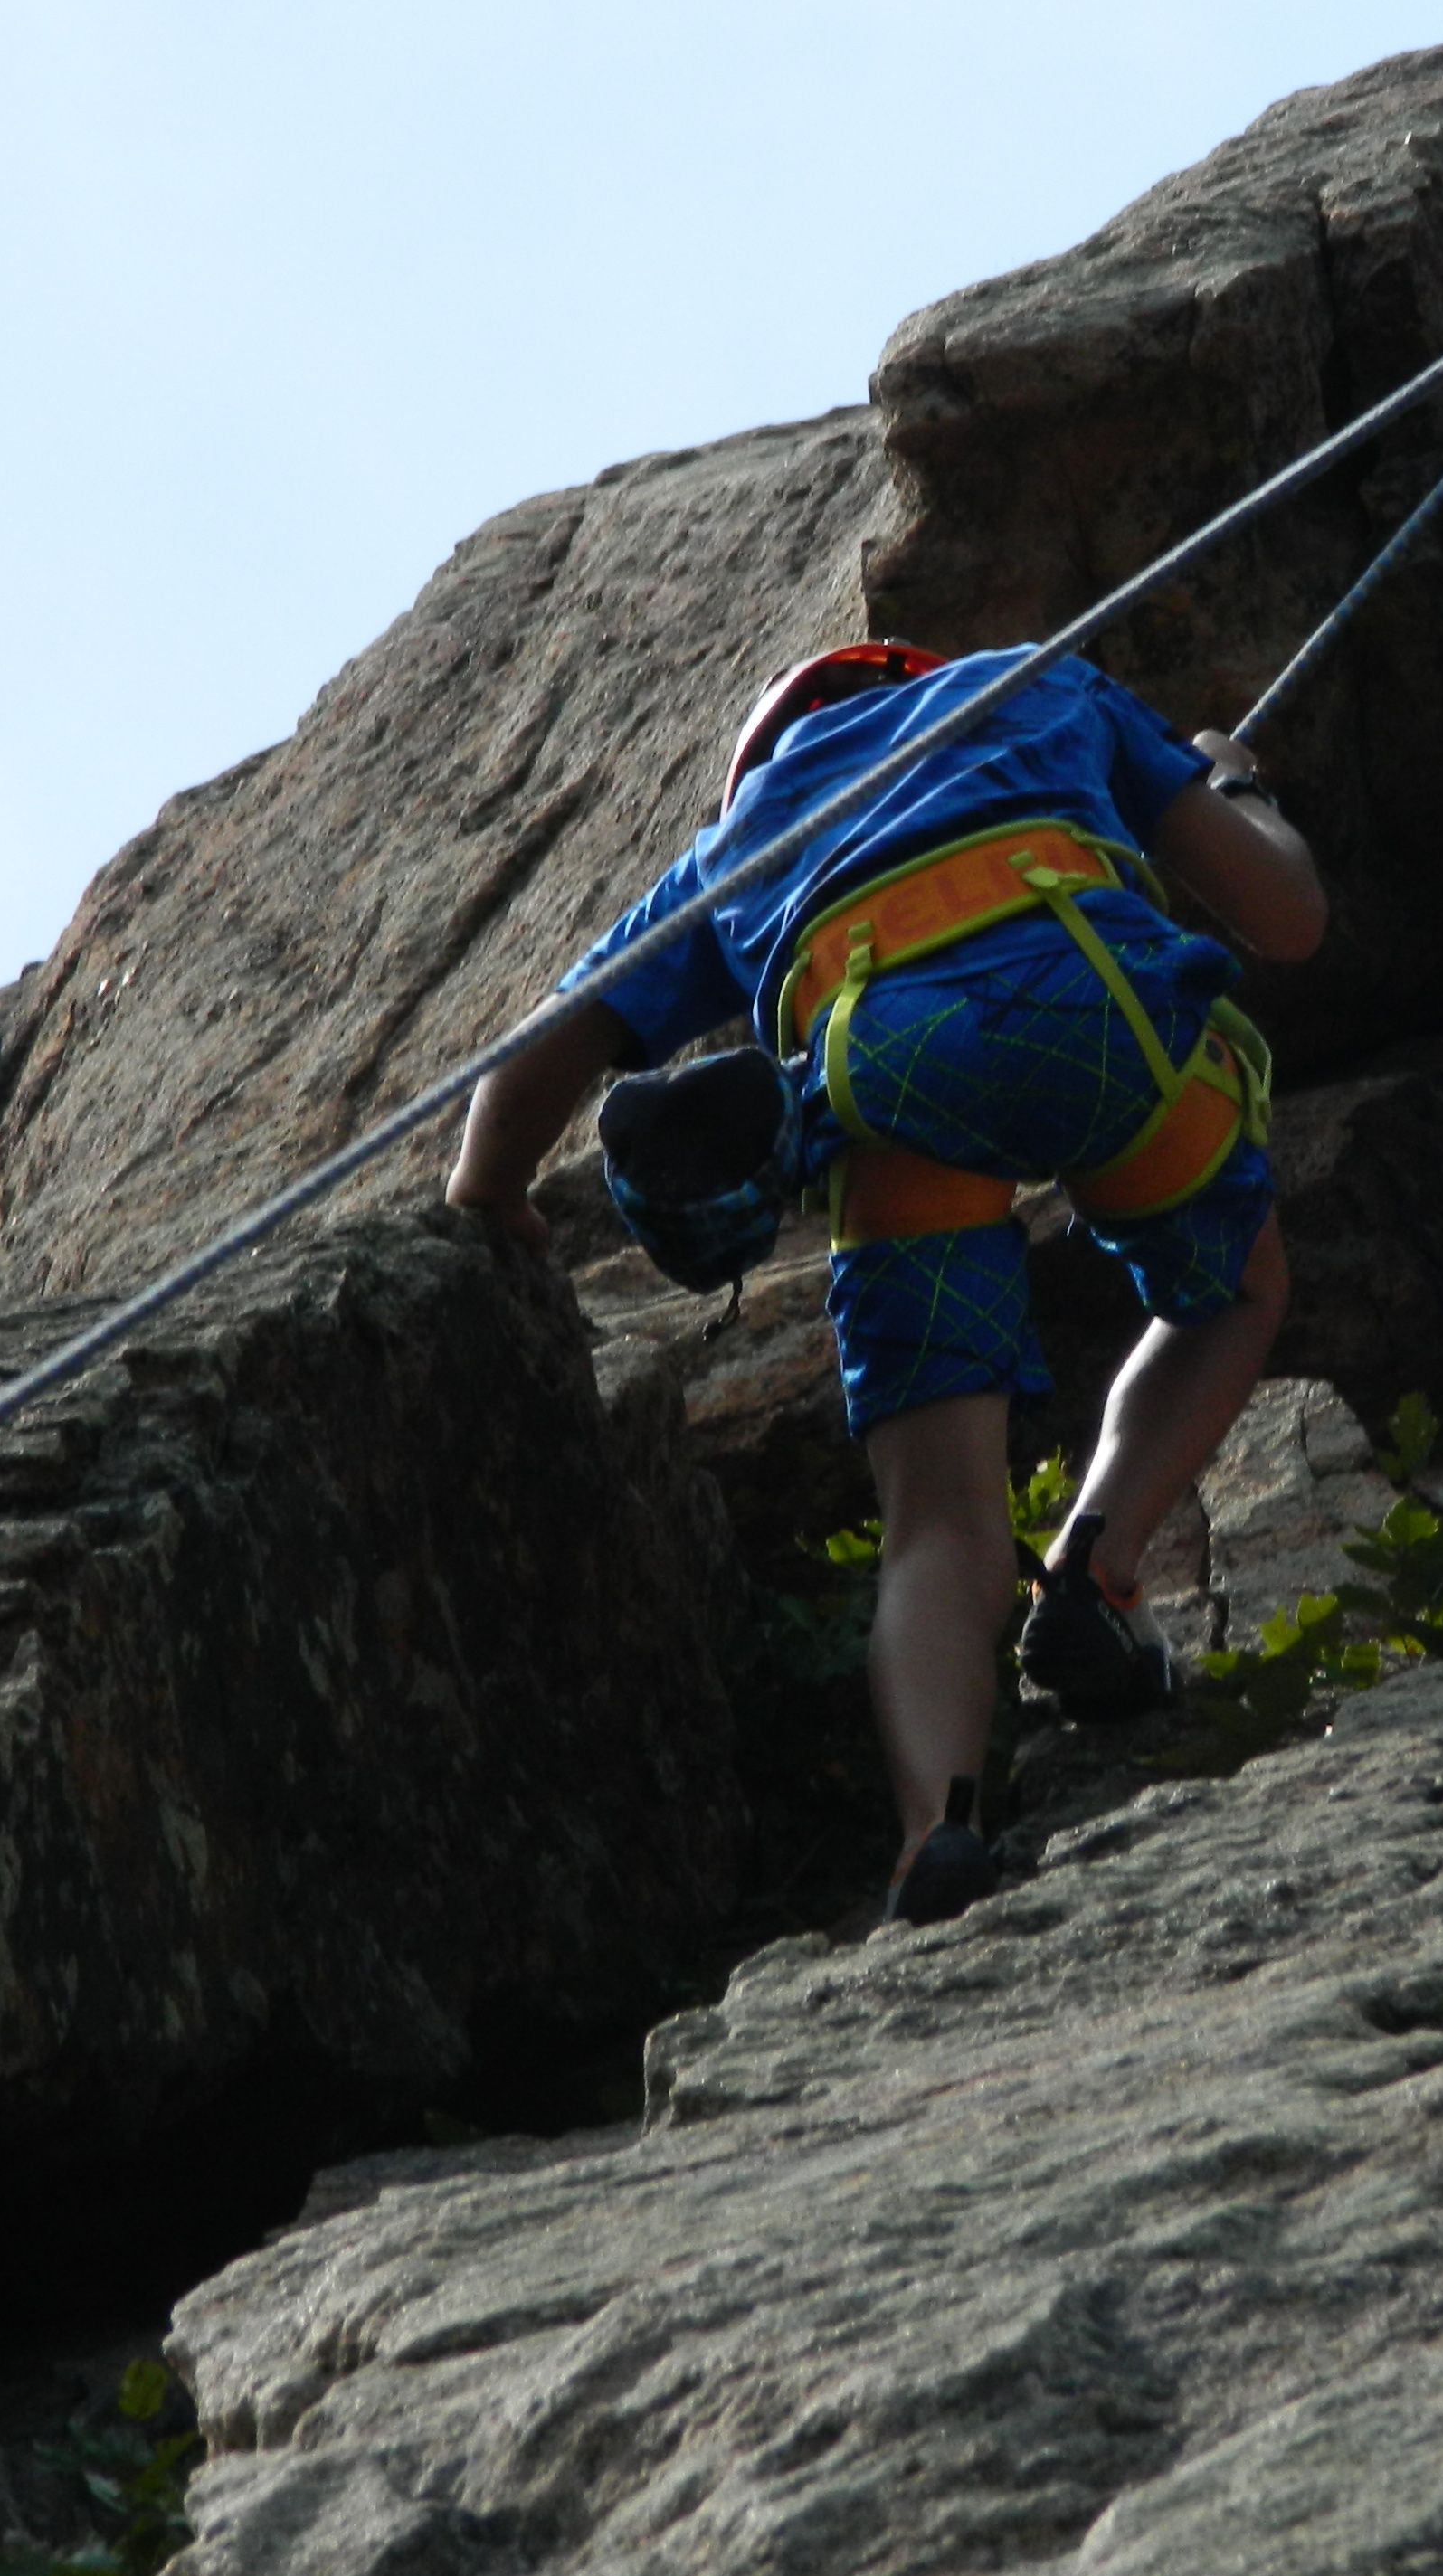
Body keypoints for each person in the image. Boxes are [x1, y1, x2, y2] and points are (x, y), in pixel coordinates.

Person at [441, 641, 1327, 1923]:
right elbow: (1290, 917)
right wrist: (1230, 784)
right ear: (904, 680)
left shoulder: (736, 846)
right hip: (1100, 1012)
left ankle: (937, 1834)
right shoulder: (1036, 687)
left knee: (935, 1515)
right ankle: (1098, 1568)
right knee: (1234, 1289)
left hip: (884, 1077)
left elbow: (537, 1056)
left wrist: (489, 1197)